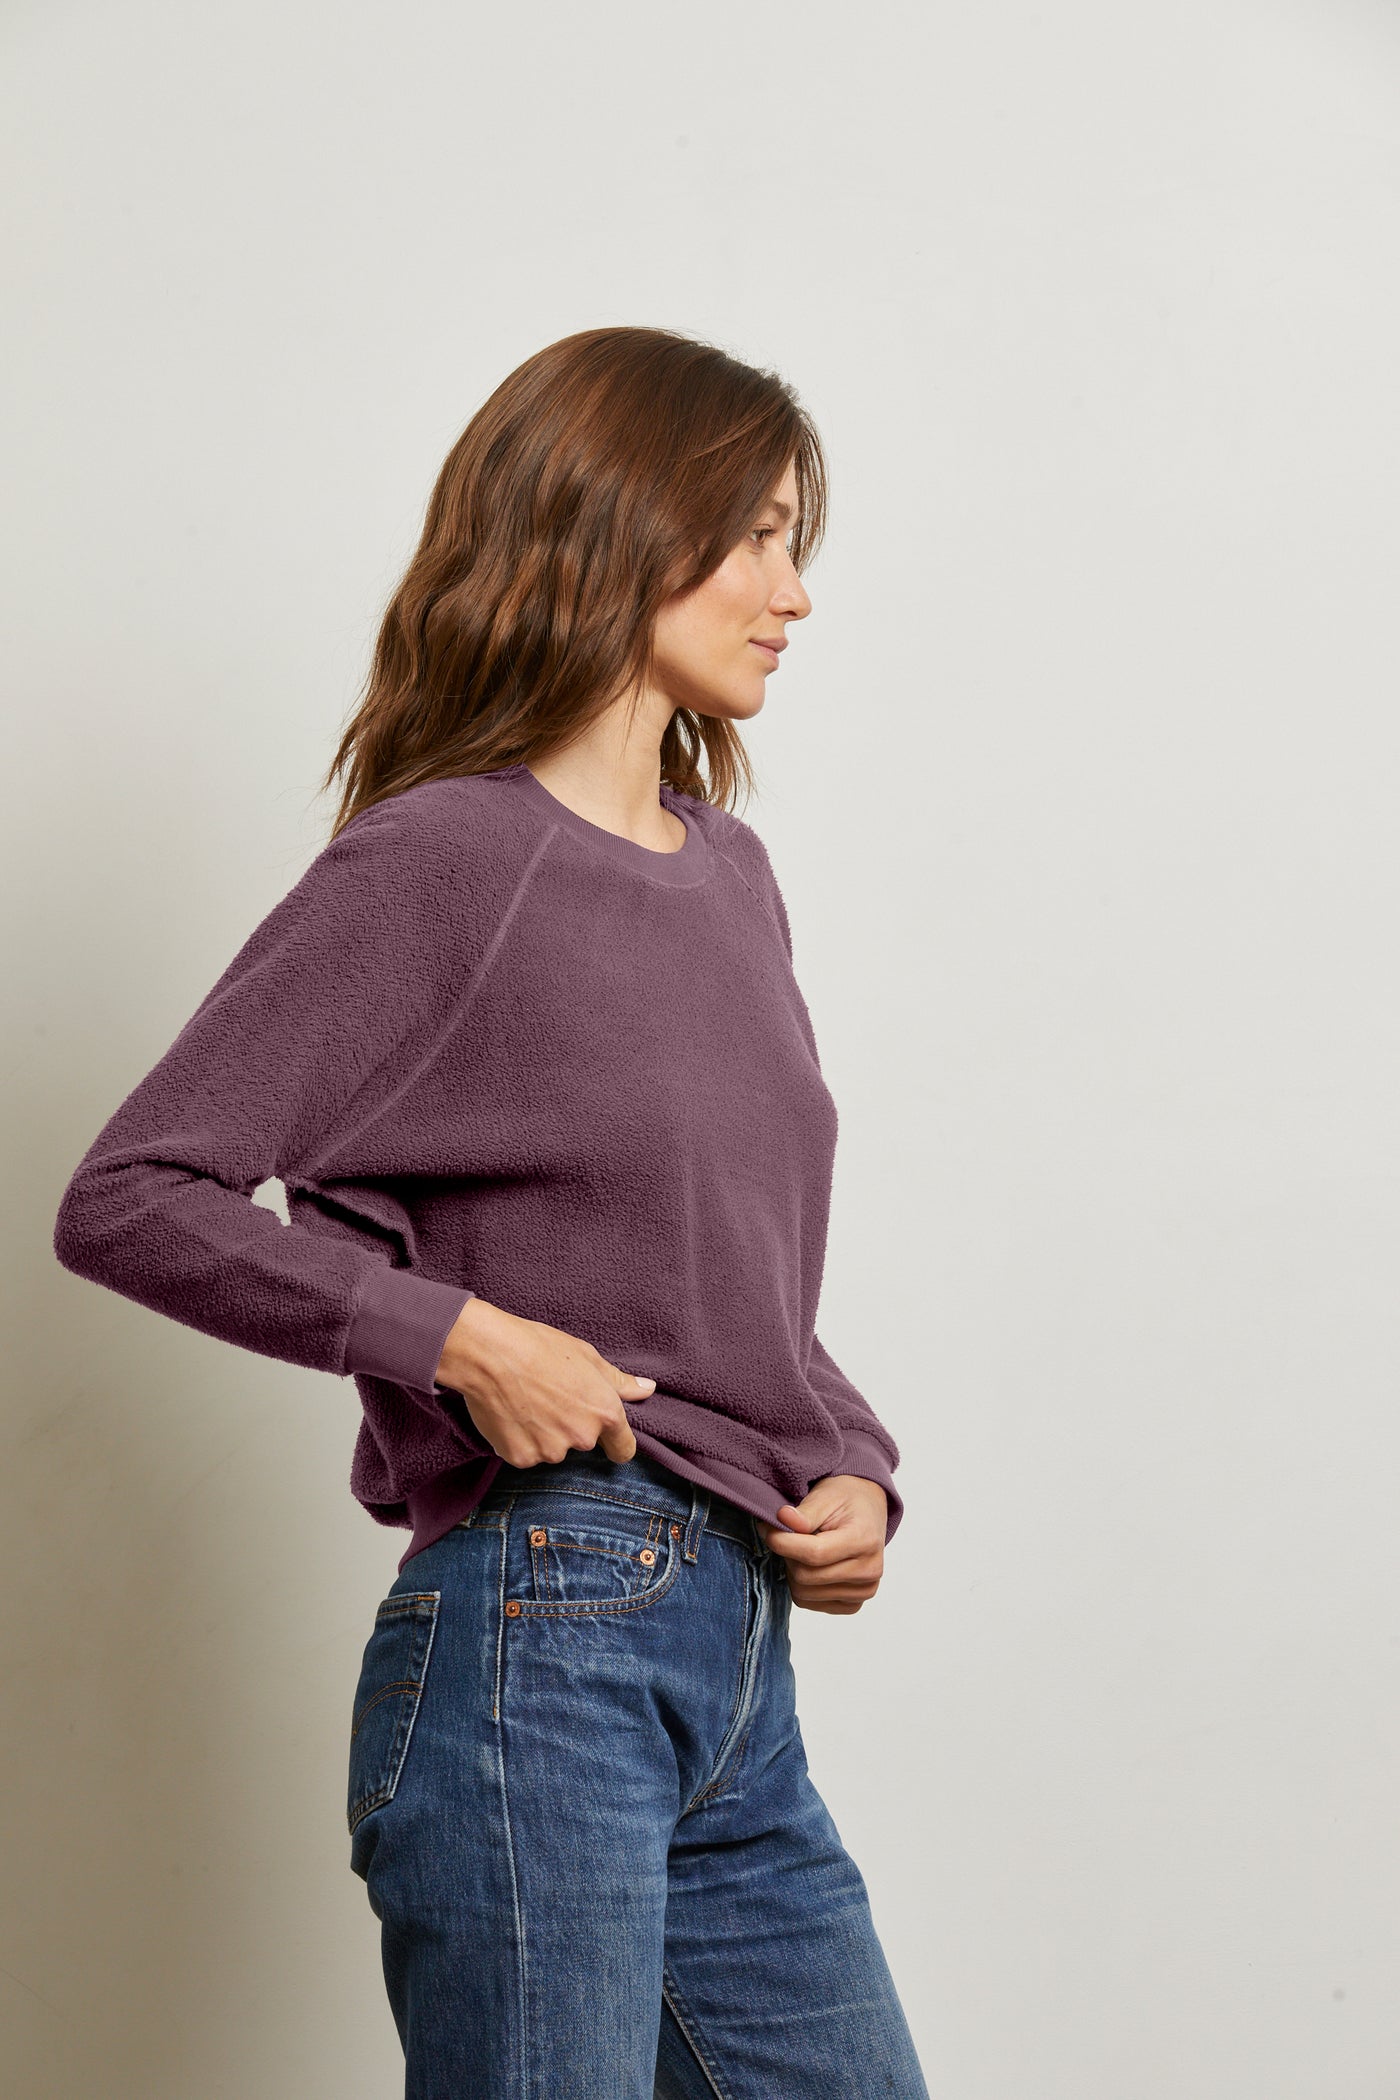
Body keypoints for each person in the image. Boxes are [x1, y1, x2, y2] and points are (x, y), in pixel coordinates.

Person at [52, 324, 928, 2097]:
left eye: (796, 542)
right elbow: (131, 1194)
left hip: (738, 1667)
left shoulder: (732, 877)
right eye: (758, 537)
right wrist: (451, 1337)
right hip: (546, 1640)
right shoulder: (442, 860)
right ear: (624, 525)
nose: (795, 594)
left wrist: (849, 1460)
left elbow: (722, 1269)